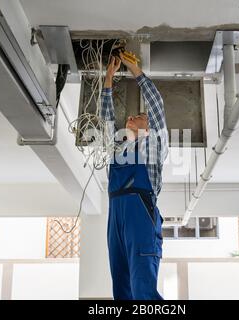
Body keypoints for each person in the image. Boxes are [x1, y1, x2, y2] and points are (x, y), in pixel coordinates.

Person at [99, 52, 169, 300]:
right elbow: (106, 119)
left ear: (148, 128)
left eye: (137, 116)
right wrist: (108, 77)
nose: (129, 117)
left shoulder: (153, 146)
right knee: (122, 291)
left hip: (140, 222)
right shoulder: (118, 148)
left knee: (143, 292)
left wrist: (134, 69)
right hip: (116, 220)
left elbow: (156, 105)